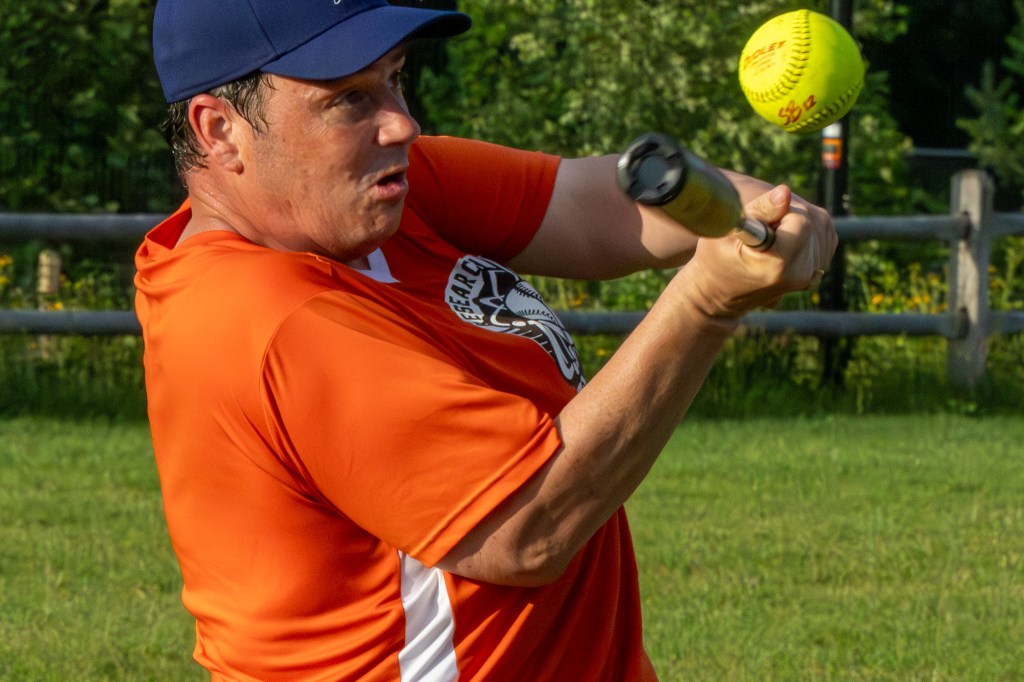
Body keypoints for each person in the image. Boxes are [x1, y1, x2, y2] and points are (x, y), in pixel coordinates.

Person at [135, 1, 837, 679]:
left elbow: (590, 207)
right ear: (220, 131)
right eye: (350, 100)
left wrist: (751, 212)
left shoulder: (371, 198)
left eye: (396, 78)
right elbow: (527, 528)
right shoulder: (268, 317)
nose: (401, 124)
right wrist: (707, 303)